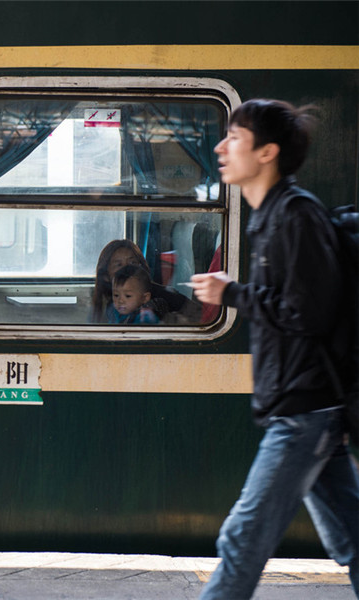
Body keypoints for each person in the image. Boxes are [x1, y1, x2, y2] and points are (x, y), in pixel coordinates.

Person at [190, 98, 359, 598]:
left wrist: (232, 294)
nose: (221, 147)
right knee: (351, 538)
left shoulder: (295, 217)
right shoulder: (269, 218)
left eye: (235, 138)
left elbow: (308, 313)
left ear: (267, 153)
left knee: (242, 539)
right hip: (304, 406)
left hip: (304, 410)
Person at [89, 239, 193, 323]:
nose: (127, 269)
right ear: (106, 275)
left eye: (133, 263)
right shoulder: (109, 303)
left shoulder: (162, 298)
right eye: (119, 265)